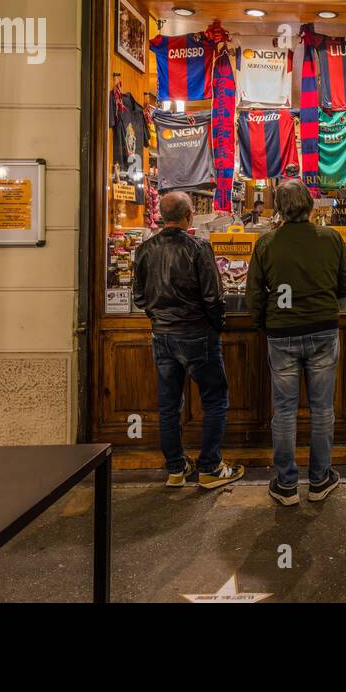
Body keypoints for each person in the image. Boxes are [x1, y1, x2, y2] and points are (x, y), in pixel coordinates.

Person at [246, 179, 346, 505]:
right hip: (323, 330)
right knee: (322, 409)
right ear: (309, 205)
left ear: (278, 208)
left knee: (284, 411)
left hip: (281, 336)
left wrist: (265, 324)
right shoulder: (331, 238)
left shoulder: (266, 244)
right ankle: (320, 480)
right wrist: (321, 298)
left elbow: (254, 297)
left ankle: (286, 484)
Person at [133, 191, 245, 489]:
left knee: (169, 405)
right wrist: (216, 326)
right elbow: (213, 297)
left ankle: (176, 468)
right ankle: (209, 467)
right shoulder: (198, 248)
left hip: (163, 336)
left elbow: (139, 296)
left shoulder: (145, 249)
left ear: (161, 216)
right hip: (197, 335)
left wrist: (159, 319)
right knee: (215, 400)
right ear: (189, 215)